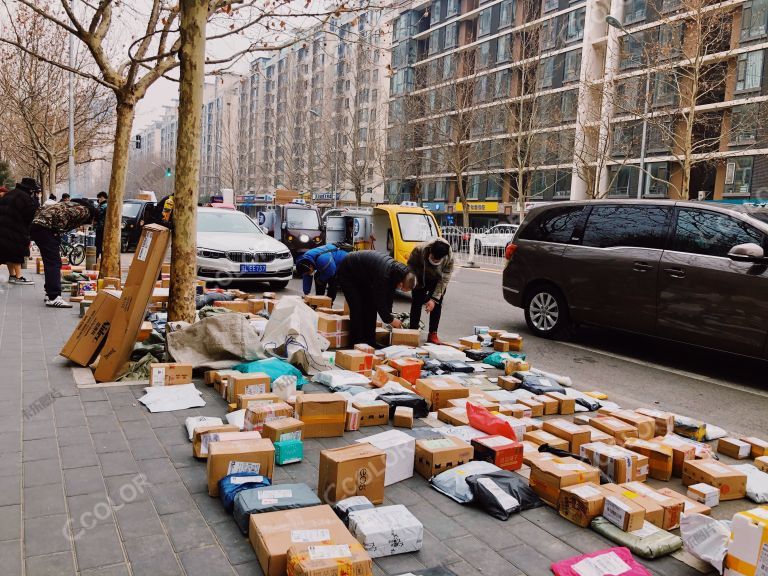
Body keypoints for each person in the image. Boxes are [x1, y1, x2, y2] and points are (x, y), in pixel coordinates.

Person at [337, 251, 416, 347]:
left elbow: (389, 297)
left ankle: (370, 340)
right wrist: (390, 320)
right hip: (348, 272)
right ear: (401, 283)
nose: (402, 290)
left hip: (363, 276)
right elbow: (380, 302)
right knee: (357, 308)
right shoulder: (384, 275)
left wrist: (390, 315)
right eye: (404, 289)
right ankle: (355, 343)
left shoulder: (396, 275)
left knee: (371, 307)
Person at [30, 198, 96, 307]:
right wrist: (57, 230)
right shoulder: (84, 210)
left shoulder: (68, 204)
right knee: (54, 263)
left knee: (50, 262)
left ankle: (50, 293)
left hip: (37, 227)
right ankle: (54, 297)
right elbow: (62, 216)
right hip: (47, 229)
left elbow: (41, 210)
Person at [407, 237, 454, 345]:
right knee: (416, 302)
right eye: (433, 258)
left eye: (437, 260)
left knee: (437, 304)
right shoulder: (419, 250)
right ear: (430, 251)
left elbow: (445, 279)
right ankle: (412, 331)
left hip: (437, 280)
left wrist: (433, 299)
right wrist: (413, 280)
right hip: (420, 277)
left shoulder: (449, 258)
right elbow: (410, 266)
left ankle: (433, 333)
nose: (434, 260)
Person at [0, 177, 41, 285]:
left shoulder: (10, 193)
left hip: (3, 228)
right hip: (16, 229)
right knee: (17, 252)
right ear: (30, 189)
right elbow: (31, 215)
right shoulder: (25, 197)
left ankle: (12, 275)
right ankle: (19, 276)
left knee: (8, 253)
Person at [94, 191, 108, 261]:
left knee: (98, 244)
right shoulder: (103, 205)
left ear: (102, 197)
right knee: (100, 245)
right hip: (102, 227)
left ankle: (97, 260)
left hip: (101, 228)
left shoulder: (104, 206)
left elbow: (98, 214)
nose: (98, 200)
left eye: (99, 198)